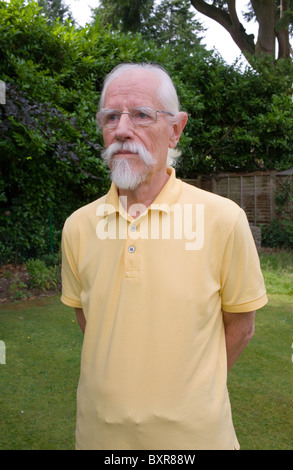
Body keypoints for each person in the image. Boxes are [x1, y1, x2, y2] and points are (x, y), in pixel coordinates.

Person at [61, 62, 268, 450]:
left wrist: (189, 396)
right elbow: (90, 319)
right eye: (111, 117)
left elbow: (241, 327)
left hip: (197, 439)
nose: (122, 130)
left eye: (141, 115)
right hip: (98, 437)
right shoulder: (78, 226)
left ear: (175, 130)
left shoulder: (223, 219)